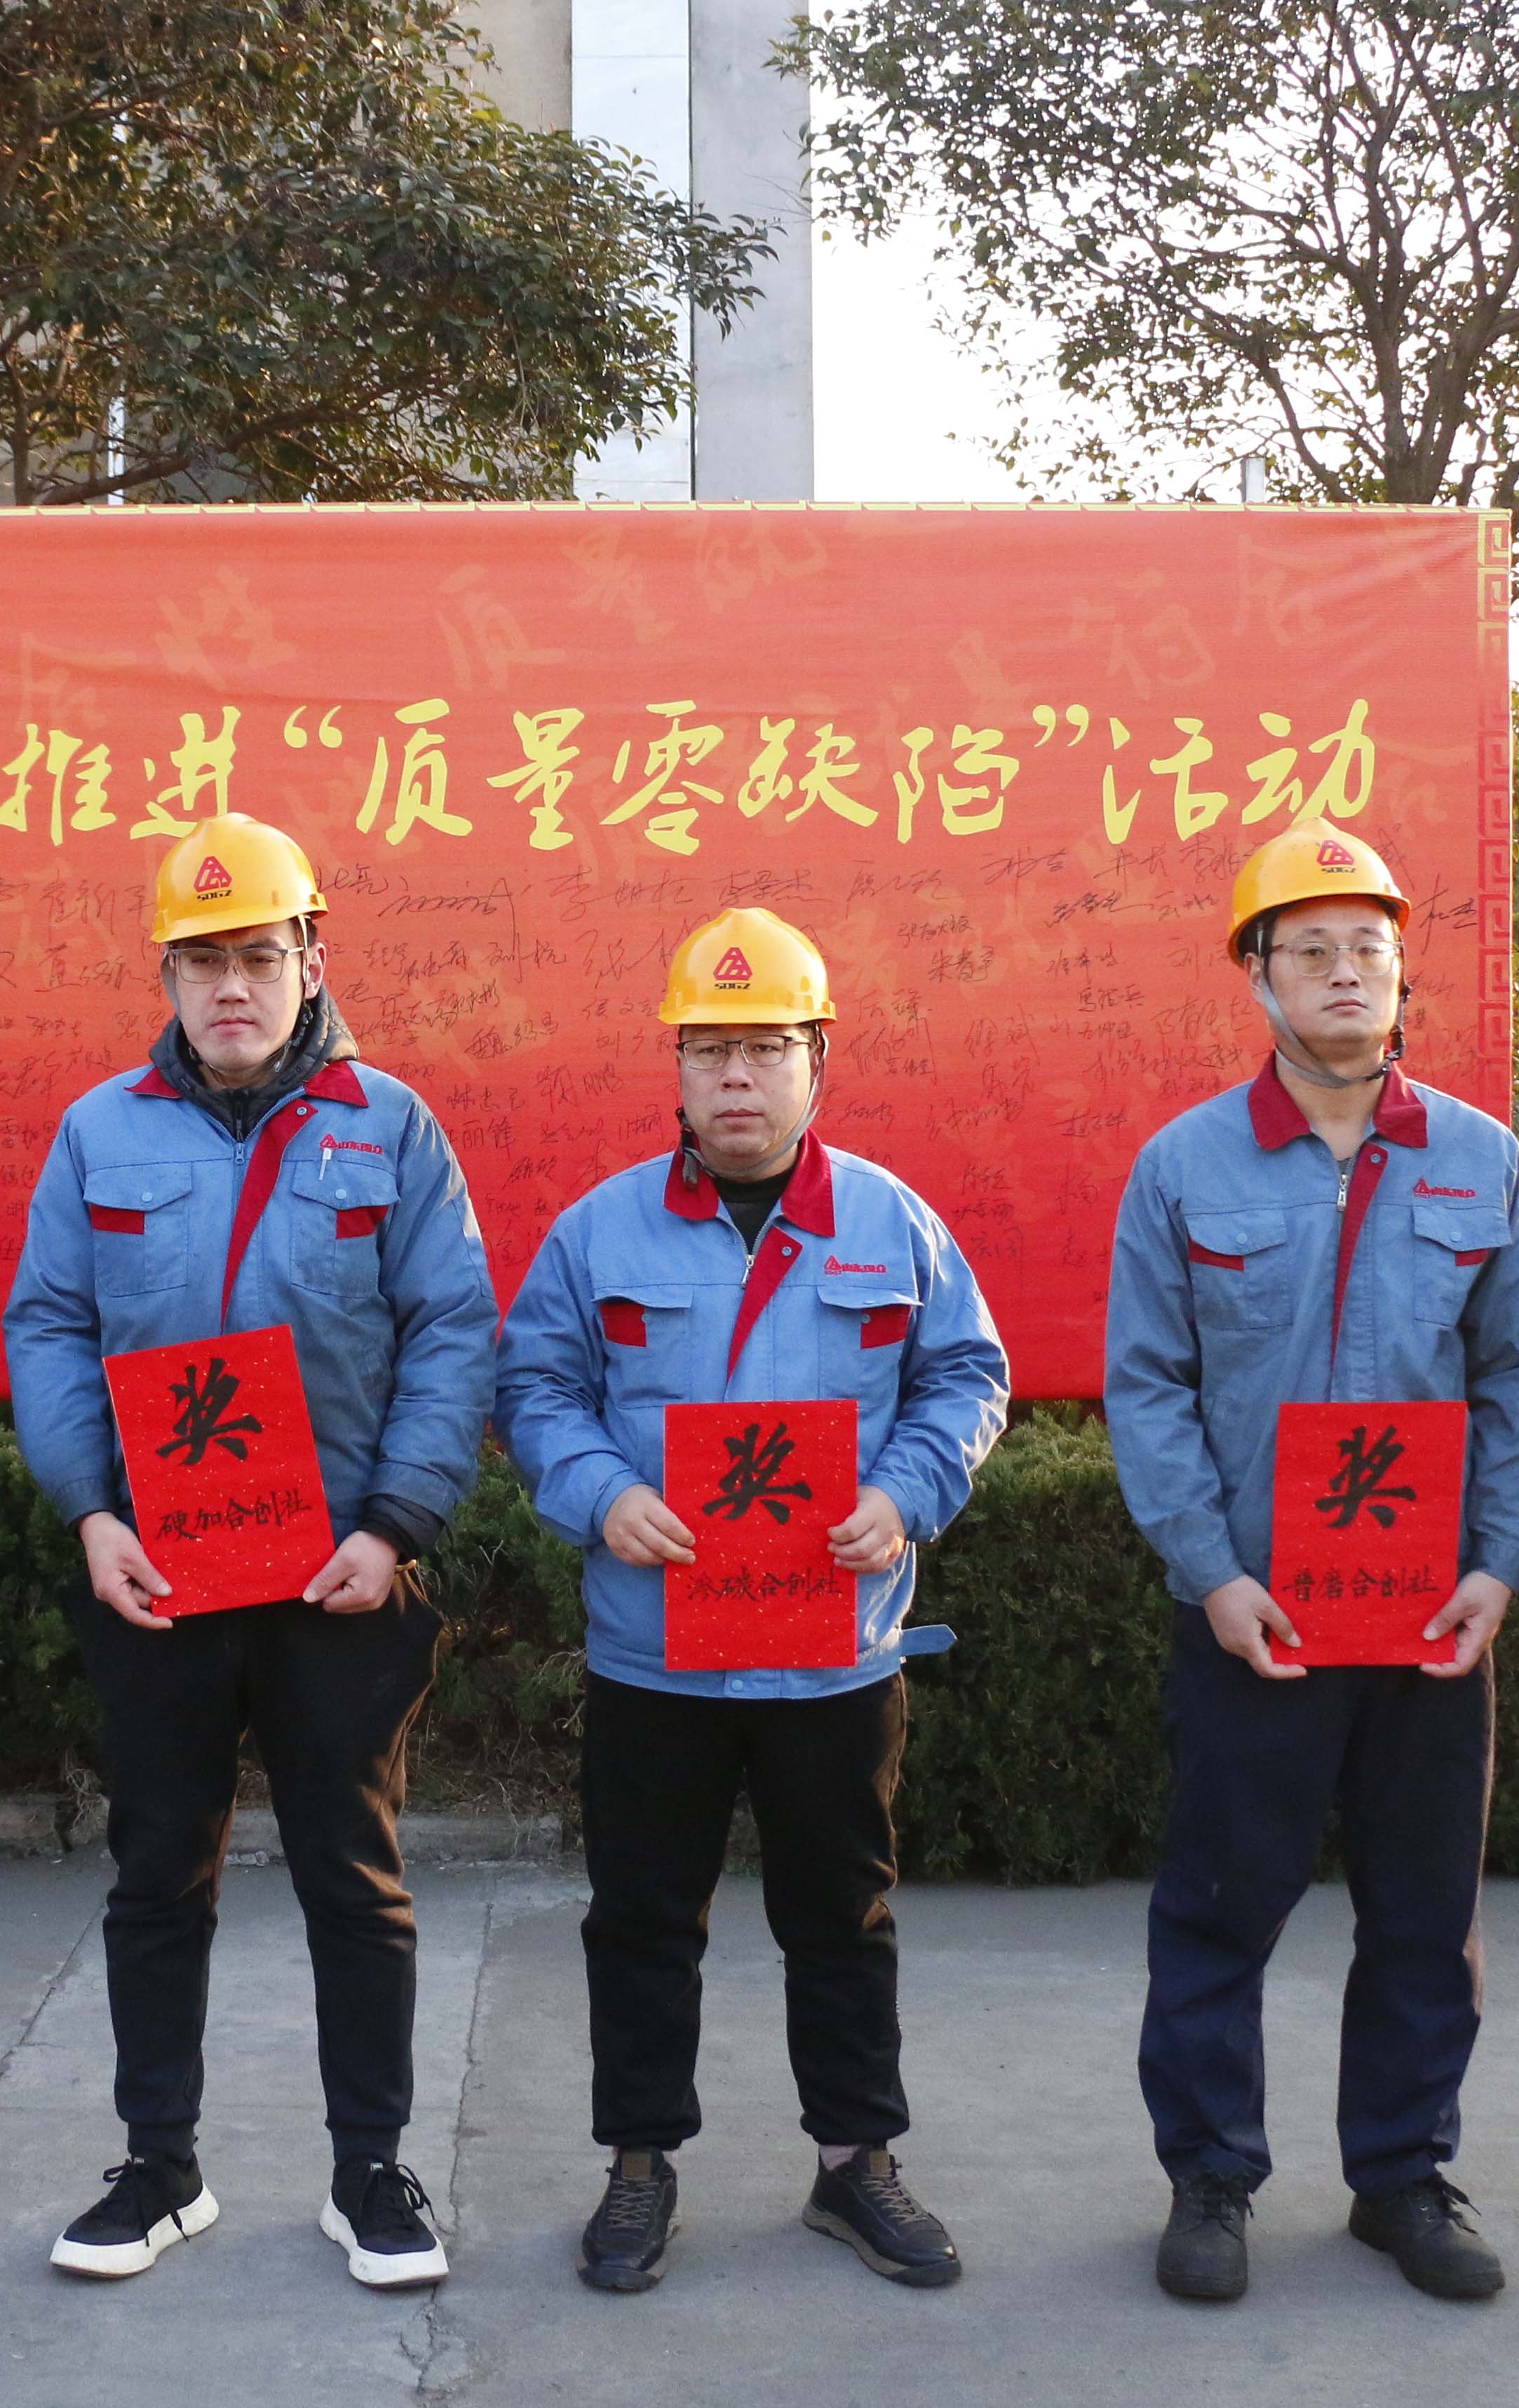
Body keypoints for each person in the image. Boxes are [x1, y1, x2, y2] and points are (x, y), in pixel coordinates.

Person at [4, 813, 497, 2289]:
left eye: (259, 957)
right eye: (203, 959)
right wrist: (91, 1513)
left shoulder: (389, 1127)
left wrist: (395, 1524)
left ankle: (371, 2172)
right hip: (158, 1579)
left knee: (357, 1878)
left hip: (341, 1578)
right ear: (165, 974)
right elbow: (49, 1325)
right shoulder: (100, 1133)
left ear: (311, 961)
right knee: (159, 1874)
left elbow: (452, 1329)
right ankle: (160, 2167)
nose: (232, 986)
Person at [494, 908, 1009, 2296]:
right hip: (655, 1656)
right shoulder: (599, 1232)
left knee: (842, 1917)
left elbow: (968, 1378)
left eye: (767, 1047)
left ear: (816, 1061)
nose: (738, 1076)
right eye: (711, 1047)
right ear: (676, 1066)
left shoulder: (894, 1225)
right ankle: (639, 2166)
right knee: (642, 1920)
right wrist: (600, 1491)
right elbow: (533, 1387)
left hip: (834, 1655)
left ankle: (855, 2162)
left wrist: (906, 1490)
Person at [1102, 816, 1519, 2305]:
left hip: (1430, 1621)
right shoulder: (1185, 1167)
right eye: (1310, 950)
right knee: (1219, 1910)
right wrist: (1211, 1573)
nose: (1346, 971)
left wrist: (1498, 1566)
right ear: (1259, 979)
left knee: (1425, 1916)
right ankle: (1211, 2179)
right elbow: (1148, 1388)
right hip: (1258, 1620)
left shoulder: (1479, 1159)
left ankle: (1404, 2178)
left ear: (1402, 971)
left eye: (1369, 945)